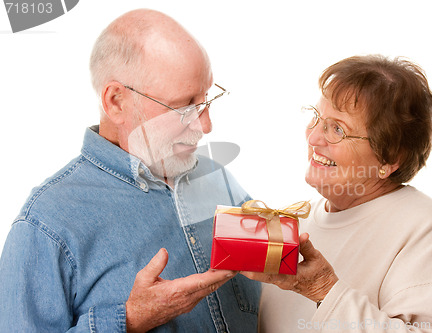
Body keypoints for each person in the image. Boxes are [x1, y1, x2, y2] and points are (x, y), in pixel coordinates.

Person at [0, 9, 260, 332]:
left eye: (208, 98)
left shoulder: (218, 178)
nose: (206, 125)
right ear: (116, 102)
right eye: (184, 106)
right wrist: (130, 319)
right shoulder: (45, 225)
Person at [242, 55, 432, 332]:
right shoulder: (297, 221)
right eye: (317, 118)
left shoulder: (429, 231)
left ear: (389, 158)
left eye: (337, 129)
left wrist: (325, 290)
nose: (313, 138)